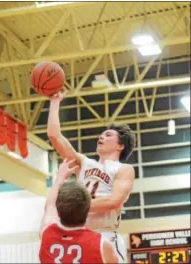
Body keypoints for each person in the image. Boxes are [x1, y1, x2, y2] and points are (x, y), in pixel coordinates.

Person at [47, 91, 136, 263]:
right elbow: (54, 136)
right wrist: (54, 102)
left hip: (106, 233)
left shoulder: (124, 169)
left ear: (120, 146)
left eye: (108, 135)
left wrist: (76, 208)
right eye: (102, 134)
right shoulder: (83, 163)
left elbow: (114, 202)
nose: (101, 136)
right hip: (81, 234)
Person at [39, 159, 118, 264]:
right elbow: (50, 206)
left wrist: (59, 179)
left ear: (58, 211)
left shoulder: (46, 232)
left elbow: (50, 205)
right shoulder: (102, 245)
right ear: (88, 210)